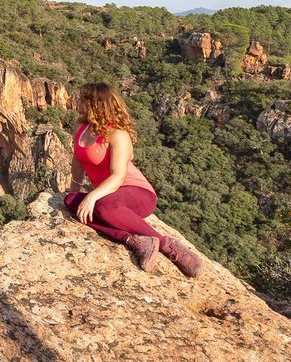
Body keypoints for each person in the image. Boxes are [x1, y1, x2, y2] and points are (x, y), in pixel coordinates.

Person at [63, 82, 202, 277]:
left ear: (95, 104)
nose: (76, 100)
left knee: (102, 207)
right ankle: (134, 240)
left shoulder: (117, 134)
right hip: (108, 194)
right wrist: (75, 189)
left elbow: (118, 176)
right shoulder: (80, 125)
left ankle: (166, 245)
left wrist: (92, 197)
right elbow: (78, 159)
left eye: (82, 98)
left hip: (136, 192)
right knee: (71, 202)